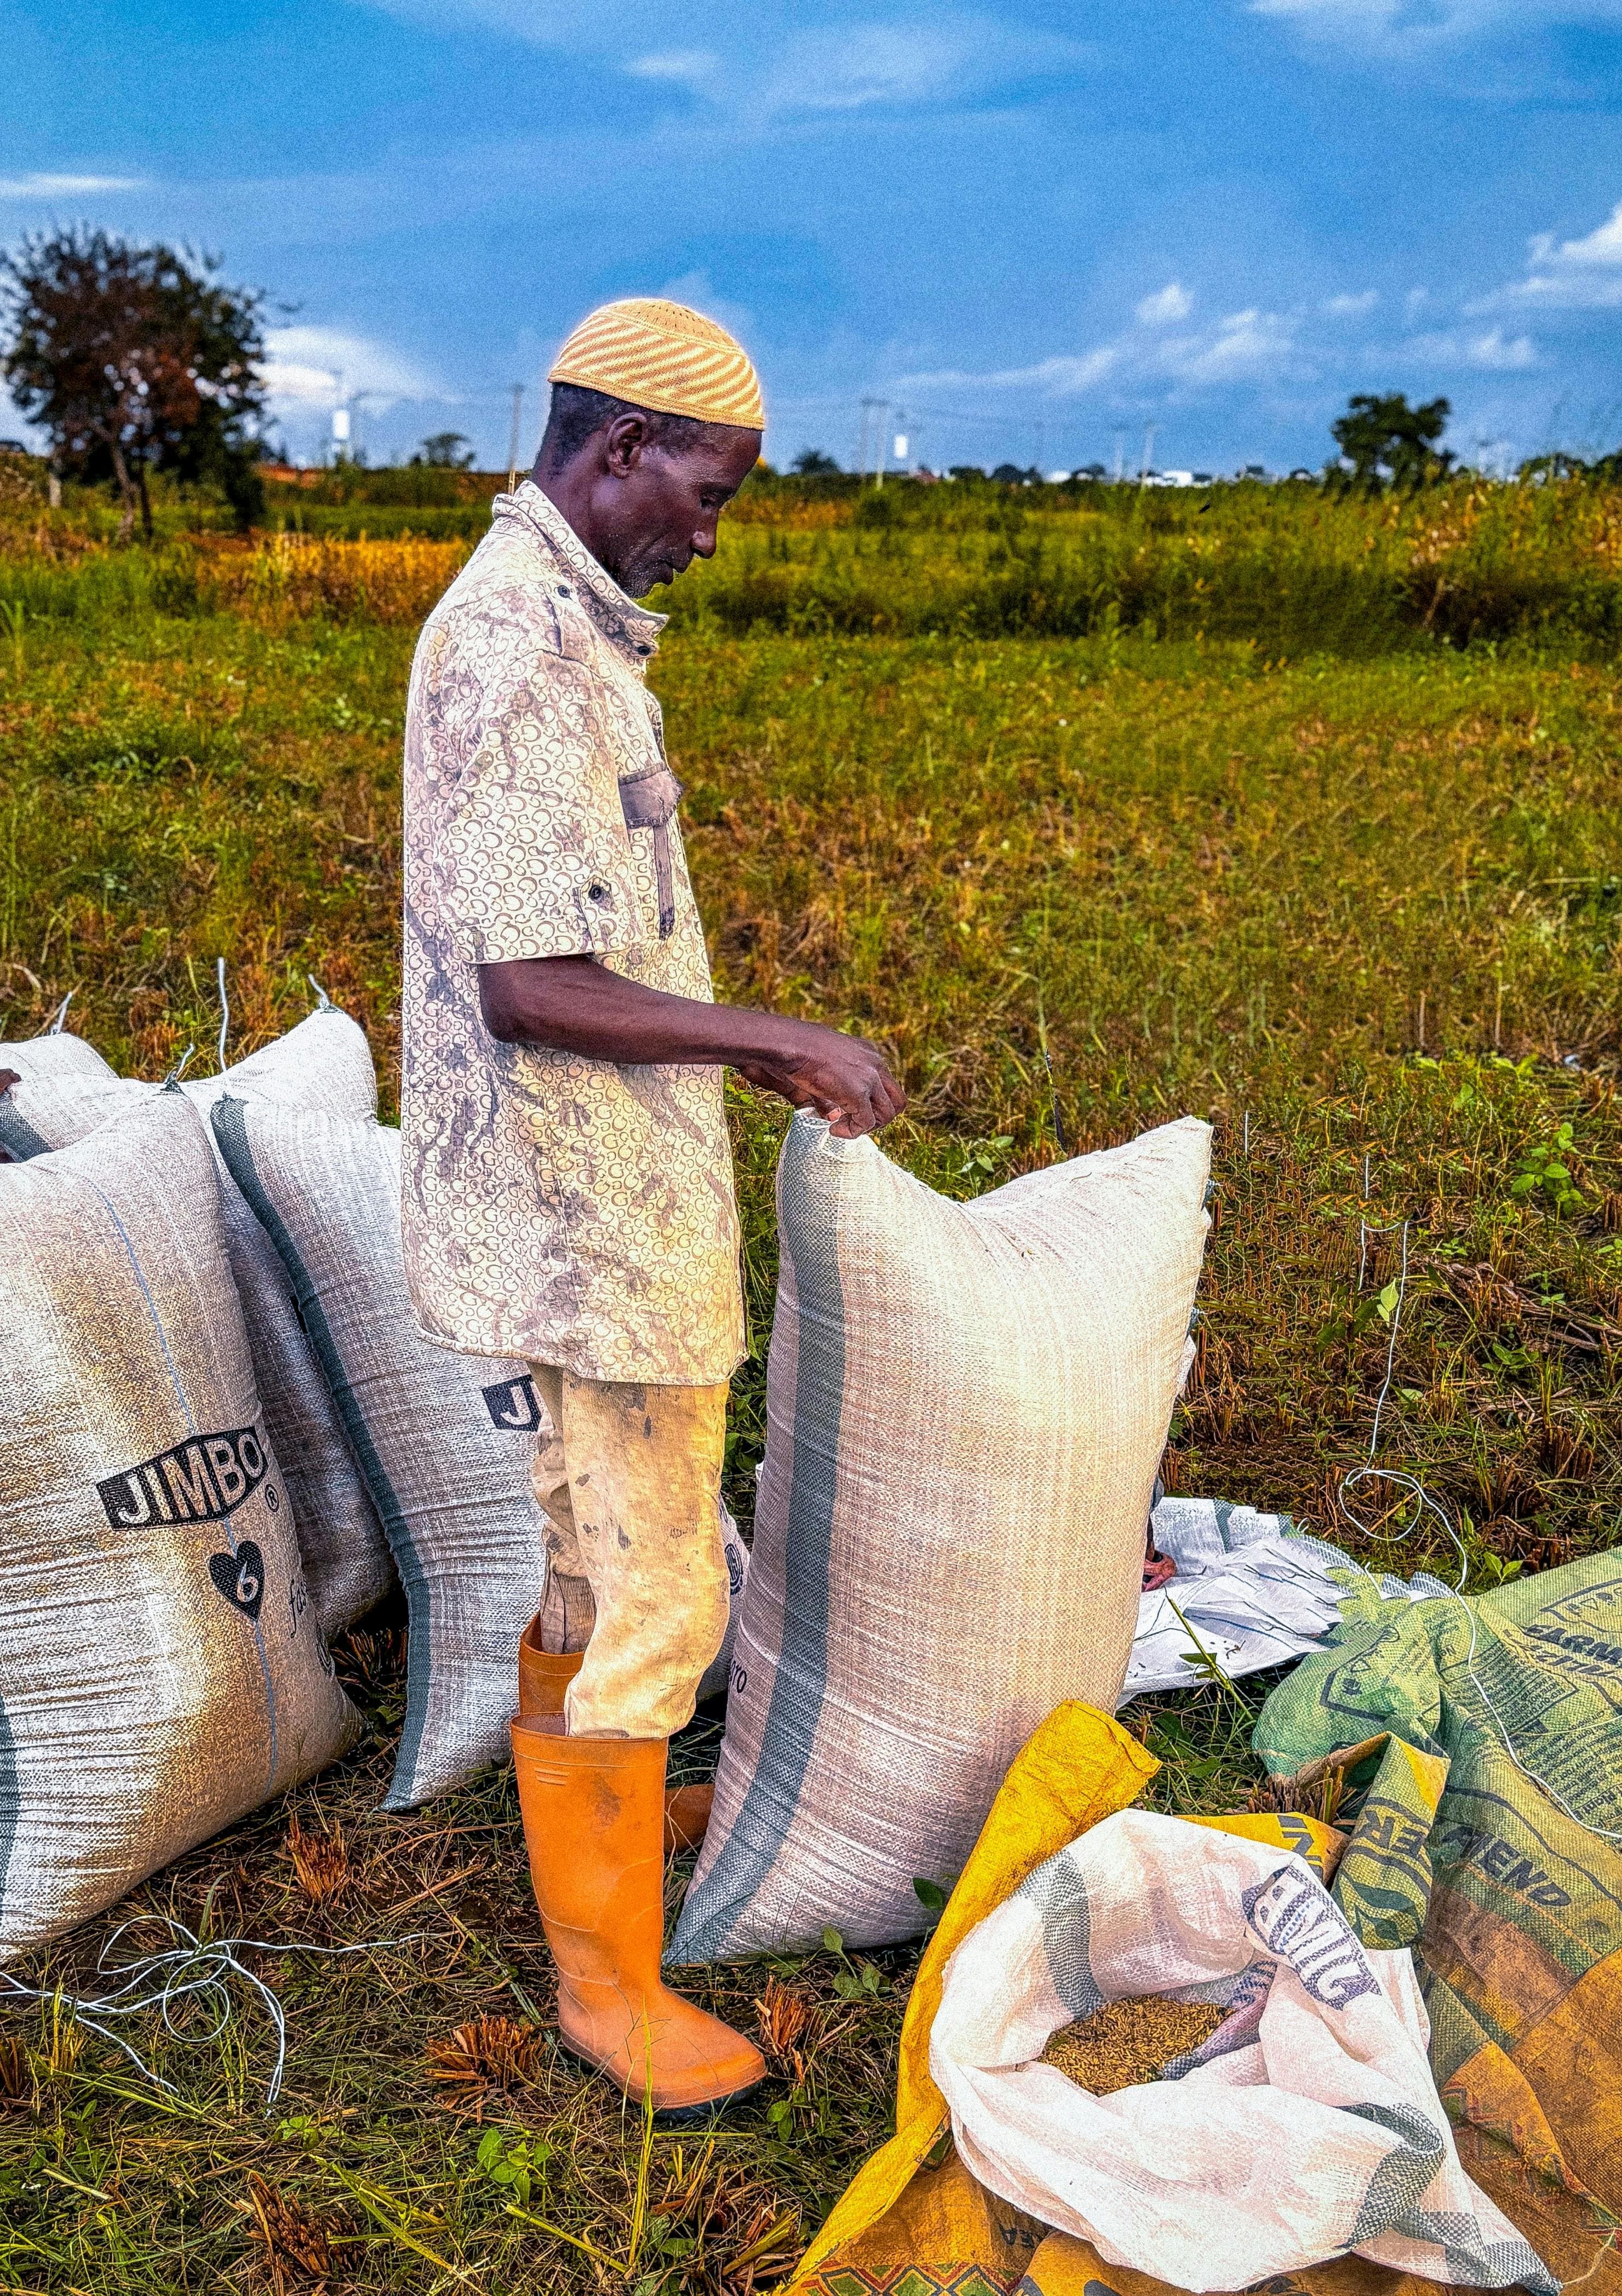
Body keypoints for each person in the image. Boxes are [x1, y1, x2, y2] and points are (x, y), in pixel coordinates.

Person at [399, 297, 904, 2114]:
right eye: (711, 486)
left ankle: (596, 1807)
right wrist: (772, 1038)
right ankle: (610, 1987)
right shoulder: (517, 646)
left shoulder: (567, 629)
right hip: (582, 1223)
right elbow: (528, 985)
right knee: (656, 1588)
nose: (716, 525)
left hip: (584, 1196)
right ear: (619, 448)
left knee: (583, 1555)